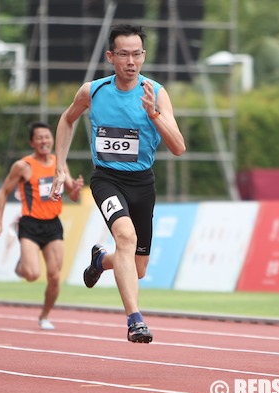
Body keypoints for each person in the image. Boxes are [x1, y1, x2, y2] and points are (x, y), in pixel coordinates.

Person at [49, 24, 186, 343]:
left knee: (137, 268)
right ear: (111, 56)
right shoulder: (93, 91)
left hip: (142, 182)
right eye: (123, 54)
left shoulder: (156, 92)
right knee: (124, 234)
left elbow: (178, 147)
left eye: (136, 54)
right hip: (107, 179)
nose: (130, 61)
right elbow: (67, 120)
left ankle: (101, 260)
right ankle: (135, 320)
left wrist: (155, 115)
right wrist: (60, 166)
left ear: (144, 56)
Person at [0, 121, 84, 330]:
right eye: (40, 138)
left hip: (53, 225)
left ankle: (44, 315)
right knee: (32, 275)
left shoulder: (59, 162)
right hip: (30, 225)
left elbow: (72, 193)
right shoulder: (23, 166)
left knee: (54, 277)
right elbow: (3, 192)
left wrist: (76, 188)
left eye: (47, 137)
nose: (44, 141)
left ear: (53, 140)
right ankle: (22, 265)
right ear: (32, 142)